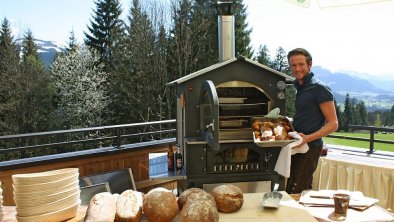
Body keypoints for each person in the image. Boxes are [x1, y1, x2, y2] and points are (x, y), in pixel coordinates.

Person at [286, 48, 338, 194]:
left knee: (295, 189)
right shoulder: (300, 87)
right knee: (299, 187)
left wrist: (307, 138)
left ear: (309, 65)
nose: (297, 68)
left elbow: (333, 124)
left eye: (301, 64)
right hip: (299, 144)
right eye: (293, 65)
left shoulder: (319, 88)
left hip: (310, 146)